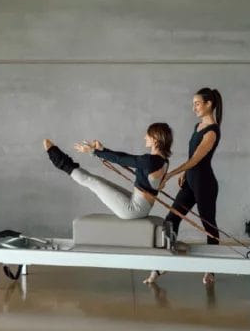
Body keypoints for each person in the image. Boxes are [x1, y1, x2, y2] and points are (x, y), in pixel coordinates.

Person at [146, 87, 223, 285]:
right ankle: (161, 265)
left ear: (209, 104)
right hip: (190, 181)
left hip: (205, 184)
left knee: (209, 226)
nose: (194, 107)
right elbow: (191, 159)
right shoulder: (197, 127)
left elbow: (197, 159)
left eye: (197, 103)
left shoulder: (212, 132)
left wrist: (171, 174)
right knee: (171, 219)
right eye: (193, 104)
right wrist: (184, 174)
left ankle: (211, 270)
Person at [42, 122, 172, 220]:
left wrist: (93, 151)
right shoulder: (163, 161)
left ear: (155, 139)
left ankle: (61, 162)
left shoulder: (150, 161)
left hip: (133, 210)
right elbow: (123, 157)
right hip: (141, 206)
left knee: (92, 182)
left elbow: (121, 159)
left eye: (148, 135)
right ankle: (63, 162)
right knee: (99, 181)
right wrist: (102, 150)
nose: (145, 137)